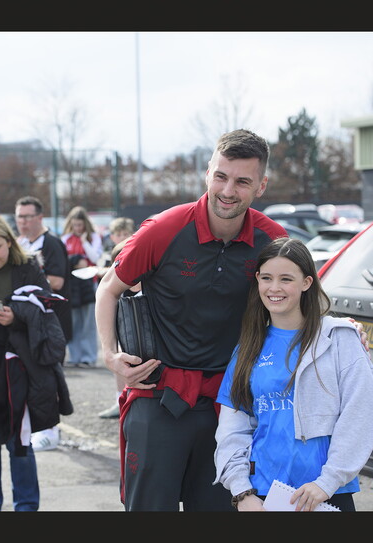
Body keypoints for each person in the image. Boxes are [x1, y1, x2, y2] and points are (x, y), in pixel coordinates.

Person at [94, 129, 290, 511]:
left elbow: (305, 302)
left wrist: (346, 331)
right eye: (221, 176)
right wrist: (109, 354)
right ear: (208, 173)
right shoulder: (164, 230)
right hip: (158, 395)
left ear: (261, 186)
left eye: (242, 181)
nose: (228, 190)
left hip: (232, 406)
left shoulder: (273, 240)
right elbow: (108, 288)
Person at [214, 237, 373, 512]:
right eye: (267, 278)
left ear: (307, 282)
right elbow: (232, 429)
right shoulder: (248, 347)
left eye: (286, 279)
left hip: (326, 494)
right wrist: (241, 492)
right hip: (261, 496)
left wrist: (327, 482)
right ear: (257, 280)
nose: (274, 288)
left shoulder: (339, 338)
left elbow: (360, 415)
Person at [0, 213, 72, 511]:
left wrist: (16, 317)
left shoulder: (28, 268)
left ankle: (26, 507)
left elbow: (48, 315)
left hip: (18, 372)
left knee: (20, 444)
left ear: (9, 242)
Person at [14, 195, 72, 452]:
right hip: (26, 324)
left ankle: (50, 431)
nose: (23, 222)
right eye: (19, 217)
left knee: (49, 378)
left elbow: (57, 282)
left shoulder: (51, 244)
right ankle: (37, 428)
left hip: (51, 324)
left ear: (40, 218)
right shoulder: (17, 243)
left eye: (28, 216)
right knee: (29, 378)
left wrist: (25, 280)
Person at [96, 217, 136, 420]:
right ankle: (119, 398)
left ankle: (130, 397)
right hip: (119, 309)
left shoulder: (139, 250)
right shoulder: (108, 256)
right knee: (118, 354)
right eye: (117, 234)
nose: (121, 237)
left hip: (133, 311)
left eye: (124, 233)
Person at [61, 205, 103, 368]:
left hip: (88, 284)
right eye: (75, 225)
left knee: (88, 322)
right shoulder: (65, 238)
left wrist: (85, 242)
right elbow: (64, 260)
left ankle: (88, 356)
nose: (78, 228)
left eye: (80, 225)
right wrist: (75, 261)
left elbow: (95, 257)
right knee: (73, 321)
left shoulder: (93, 237)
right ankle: (75, 356)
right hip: (72, 285)